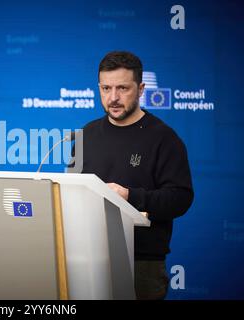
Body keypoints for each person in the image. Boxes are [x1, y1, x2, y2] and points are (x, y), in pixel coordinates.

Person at [79, 51, 194, 300]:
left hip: (142, 263)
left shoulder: (164, 138)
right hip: (87, 257)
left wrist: (129, 196)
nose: (113, 98)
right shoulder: (86, 134)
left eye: (122, 88)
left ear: (141, 89)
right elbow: (74, 193)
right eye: (106, 88)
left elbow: (181, 198)